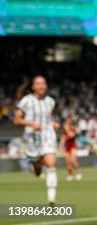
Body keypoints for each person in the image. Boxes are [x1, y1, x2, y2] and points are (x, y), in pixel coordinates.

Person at [13, 76, 59, 205]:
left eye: (43, 83)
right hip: (31, 138)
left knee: (51, 164)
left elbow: (49, 116)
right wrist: (31, 123)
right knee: (37, 163)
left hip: (48, 134)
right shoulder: (26, 101)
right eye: (38, 84)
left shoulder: (50, 101)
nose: (41, 86)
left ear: (46, 86)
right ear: (33, 87)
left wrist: (53, 123)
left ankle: (51, 199)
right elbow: (16, 120)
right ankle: (36, 165)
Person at [59, 114, 82, 181]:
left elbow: (71, 136)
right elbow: (62, 139)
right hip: (67, 147)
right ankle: (70, 175)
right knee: (68, 162)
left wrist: (67, 129)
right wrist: (60, 147)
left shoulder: (73, 128)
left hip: (73, 146)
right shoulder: (65, 131)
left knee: (73, 160)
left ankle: (78, 173)